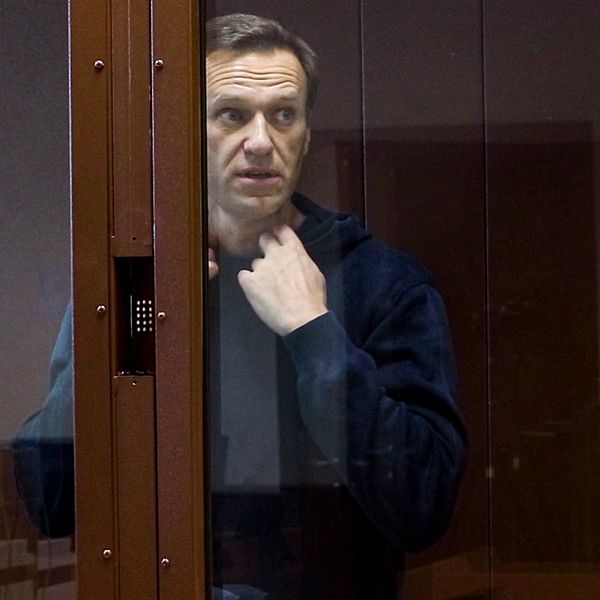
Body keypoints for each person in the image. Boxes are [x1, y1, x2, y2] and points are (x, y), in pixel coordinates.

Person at [13, 13, 467, 600]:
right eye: (231, 114)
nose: (260, 141)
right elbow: (50, 503)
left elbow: (423, 508)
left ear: (306, 135)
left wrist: (313, 330)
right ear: (182, 133)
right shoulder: (140, 282)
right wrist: (132, 318)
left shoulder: (385, 283)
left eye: (283, 115)